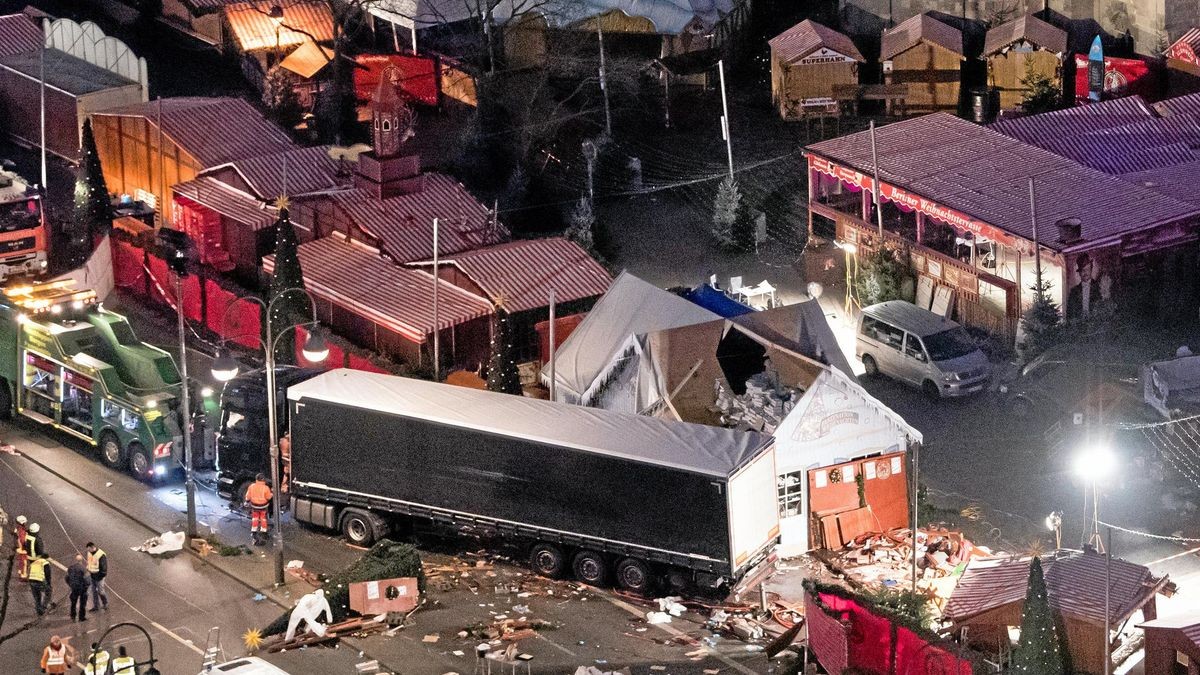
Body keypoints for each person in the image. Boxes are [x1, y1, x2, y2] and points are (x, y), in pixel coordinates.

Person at [245, 473, 273, 546]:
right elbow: (268, 497)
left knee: (255, 518)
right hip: (263, 506)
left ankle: (253, 531)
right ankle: (263, 531)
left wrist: (247, 501)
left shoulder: (251, 486)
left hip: (254, 506)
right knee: (263, 518)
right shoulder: (266, 488)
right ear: (263, 479)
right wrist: (272, 493)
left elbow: (248, 496)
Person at [67, 554, 90, 622]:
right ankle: (81, 617)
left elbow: (67, 577)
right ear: (81, 560)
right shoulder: (83, 569)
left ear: (75, 560)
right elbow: (87, 580)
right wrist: (86, 586)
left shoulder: (70, 568)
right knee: (82, 603)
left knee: (73, 603)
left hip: (74, 588)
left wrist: (70, 584)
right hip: (82, 588)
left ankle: (73, 616)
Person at [85, 542, 108, 611]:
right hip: (92, 576)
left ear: (92, 547)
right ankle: (96, 606)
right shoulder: (90, 553)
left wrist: (98, 575)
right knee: (94, 592)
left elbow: (104, 569)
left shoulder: (101, 555)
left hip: (99, 577)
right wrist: (88, 567)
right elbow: (90, 562)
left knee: (101, 591)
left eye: (89, 549)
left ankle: (105, 603)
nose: (88, 551)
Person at [13, 514, 29, 580]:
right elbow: (23, 540)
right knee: (24, 561)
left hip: (20, 546)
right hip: (22, 547)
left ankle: (20, 571)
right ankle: (23, 575)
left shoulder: (18, 528)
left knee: (21, 560)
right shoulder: (22, 530)